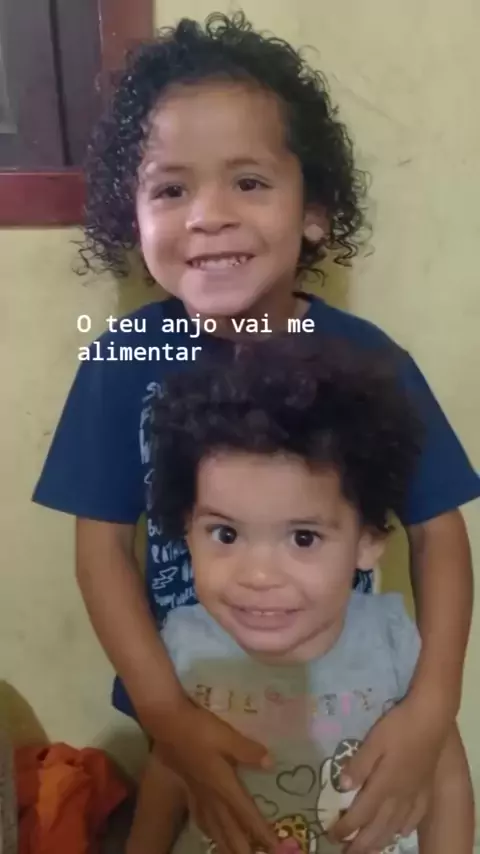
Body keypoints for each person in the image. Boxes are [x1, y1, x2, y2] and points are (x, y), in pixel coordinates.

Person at [32, 11, 479, 854]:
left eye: (247, 181)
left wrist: (431, 708)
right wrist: (167, 716)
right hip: (194, 706)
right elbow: (101, 552)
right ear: (133, 215)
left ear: (314, 211)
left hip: (343, 705)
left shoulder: (370, 363)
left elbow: (439, 535)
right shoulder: (124, 359)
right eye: (171, 189)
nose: (208, 215)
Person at [136, 336, 474, 854]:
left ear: (368, 541)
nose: (258, 575)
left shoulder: (391, 642)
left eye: (303, 539)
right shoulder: (183, 645)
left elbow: (445, 777)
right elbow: (170, 769)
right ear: (187, 529)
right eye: (225, 534)